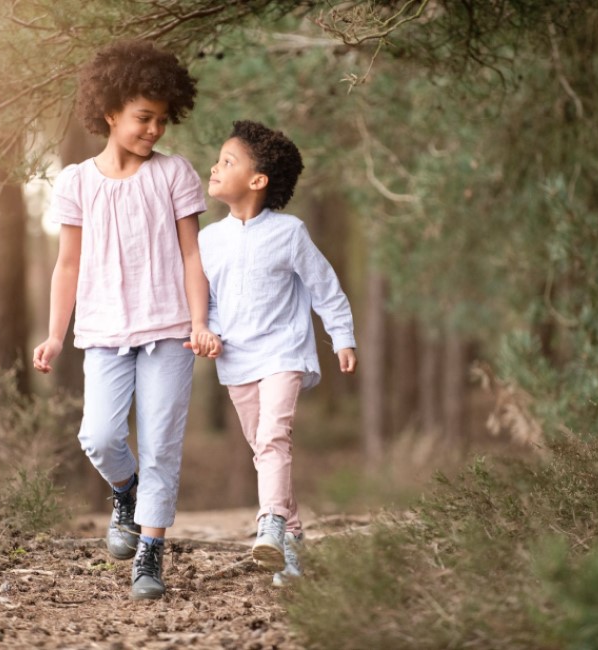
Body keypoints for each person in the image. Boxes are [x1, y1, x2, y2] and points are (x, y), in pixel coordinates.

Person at [33, 40, 221, 601]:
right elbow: (67, 264)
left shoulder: (174, 175)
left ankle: (150, 554)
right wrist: (53, 334)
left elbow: (192, 255)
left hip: (169, 330)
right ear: (111, 112)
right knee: (100, 435)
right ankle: (127, 491)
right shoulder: (76, 183)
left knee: (161, 441)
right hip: (104, 332)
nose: (154, 130)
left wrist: (198, 321)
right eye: (143, 118)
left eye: (162, 120)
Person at [197, 120, 357, 587]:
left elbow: (324, 287)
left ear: (257, 180)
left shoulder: (289, 232)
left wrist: (341, 336)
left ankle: (270, 524)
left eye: (228, 161)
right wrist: (208, 331)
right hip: (237, 360)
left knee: (273, 437)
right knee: (263, 448)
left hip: (285, 352)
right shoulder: (209, 240)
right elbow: (207, 302)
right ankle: (292, 542)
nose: (215, 166)